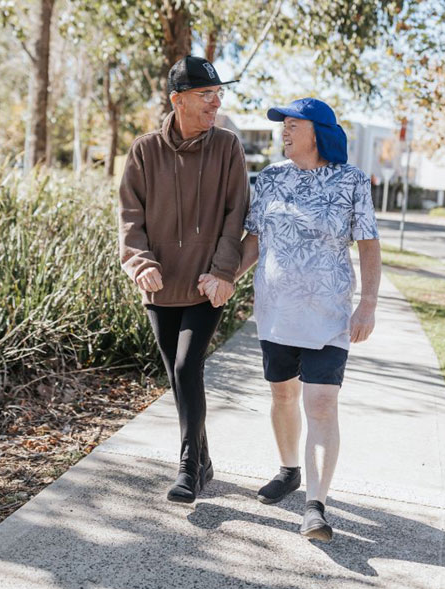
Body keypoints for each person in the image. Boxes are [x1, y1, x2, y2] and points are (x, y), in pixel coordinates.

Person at [226, 97, 381, 541]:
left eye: (292, 124)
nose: (284, 132)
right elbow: (254, 240)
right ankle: (289, 469)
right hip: (276, 312)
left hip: (329, 314)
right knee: (281, 397)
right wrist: (228, 278)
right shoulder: (271, 178)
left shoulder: (351, 181)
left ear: (317, 132)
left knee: (321, 404)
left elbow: (368, 244)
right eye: (283, 125)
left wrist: (367, 303)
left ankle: (316, 505)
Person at [118, 55, 248, 504]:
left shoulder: (228, 147)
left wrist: (222, 271)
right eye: (205, 96)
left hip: (205, 286)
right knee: (179, 378)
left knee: (186, 366)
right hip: (159, 286)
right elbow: (129, 218)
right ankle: (205, 461)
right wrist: (141, 263)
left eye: (218, 95)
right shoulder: (144, 151)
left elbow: (236, 217)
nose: (216, 103)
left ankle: (188, 469)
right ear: (178, 101)